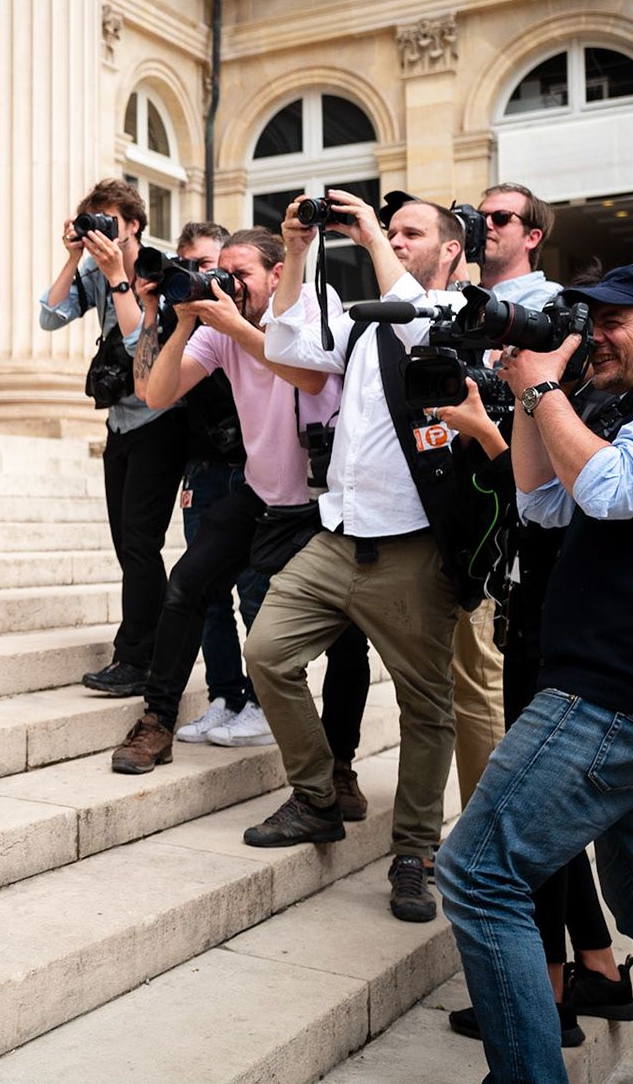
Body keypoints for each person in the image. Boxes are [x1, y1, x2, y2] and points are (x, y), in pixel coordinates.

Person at [442, 265, 633, 1084]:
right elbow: (544, 502)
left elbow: (613, 491)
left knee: (478, 873)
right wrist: (526, 392)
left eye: (615, 319)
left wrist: (546, 387)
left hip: (620, 694)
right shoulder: (631, 405)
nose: (598, 334)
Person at [246, 189, 491, 927]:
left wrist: (368, 239)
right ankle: (319, 796)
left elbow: (421, 324)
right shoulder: (360, 321)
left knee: (426, 708)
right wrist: (295, 251)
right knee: (266, 652)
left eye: (410, 232)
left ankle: (415, 852)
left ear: (450, 249)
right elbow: (286, 346)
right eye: (391, 232)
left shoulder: (459, 313)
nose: (393, 239)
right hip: (337, 534)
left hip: (413, 549)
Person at [116, 228, 385, 799]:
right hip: (261, 493)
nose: (230, 283)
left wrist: (234, 325)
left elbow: (309, 374)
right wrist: (186, 320)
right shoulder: (218, 333)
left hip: (321, 502)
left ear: (273, 274)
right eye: (224, 272)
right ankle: (157, 722)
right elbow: (157, 394)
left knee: (346, 640)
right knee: (186, 585)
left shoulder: (316, 306)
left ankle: (340, 767)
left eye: (242, 274)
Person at [39, 180, 188, 697]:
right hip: (120, 424)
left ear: (134, 227)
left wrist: (118, 279)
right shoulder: (93, 271)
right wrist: (74, 258)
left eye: (111, 223)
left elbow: (136, 341)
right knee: (128, 546)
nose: (103, 231)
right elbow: (49, 316)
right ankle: (154, 646)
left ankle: (135, 658)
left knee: (142, 544)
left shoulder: (156, 269)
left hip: (160, 422)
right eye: (92, 222)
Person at [446, 182, 561, 806]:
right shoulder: (452, 302)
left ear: (532, 235)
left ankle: (484, 836)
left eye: (498, 217)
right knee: (445, 685)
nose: (482, 225)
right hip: (441, 501)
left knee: (480, 680)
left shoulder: (548, 308)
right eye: (474, 215)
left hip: (500, 514)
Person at [159, 223, 258, 742]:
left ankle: (261, 702)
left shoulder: (250, 322)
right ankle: (225, 694)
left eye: (210, 266)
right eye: (190, 266)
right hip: (201, 468)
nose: (200, 276)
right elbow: (155, 390)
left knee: (253, 589)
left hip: (251, 469)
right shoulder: (195, 324)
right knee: (208, 595)